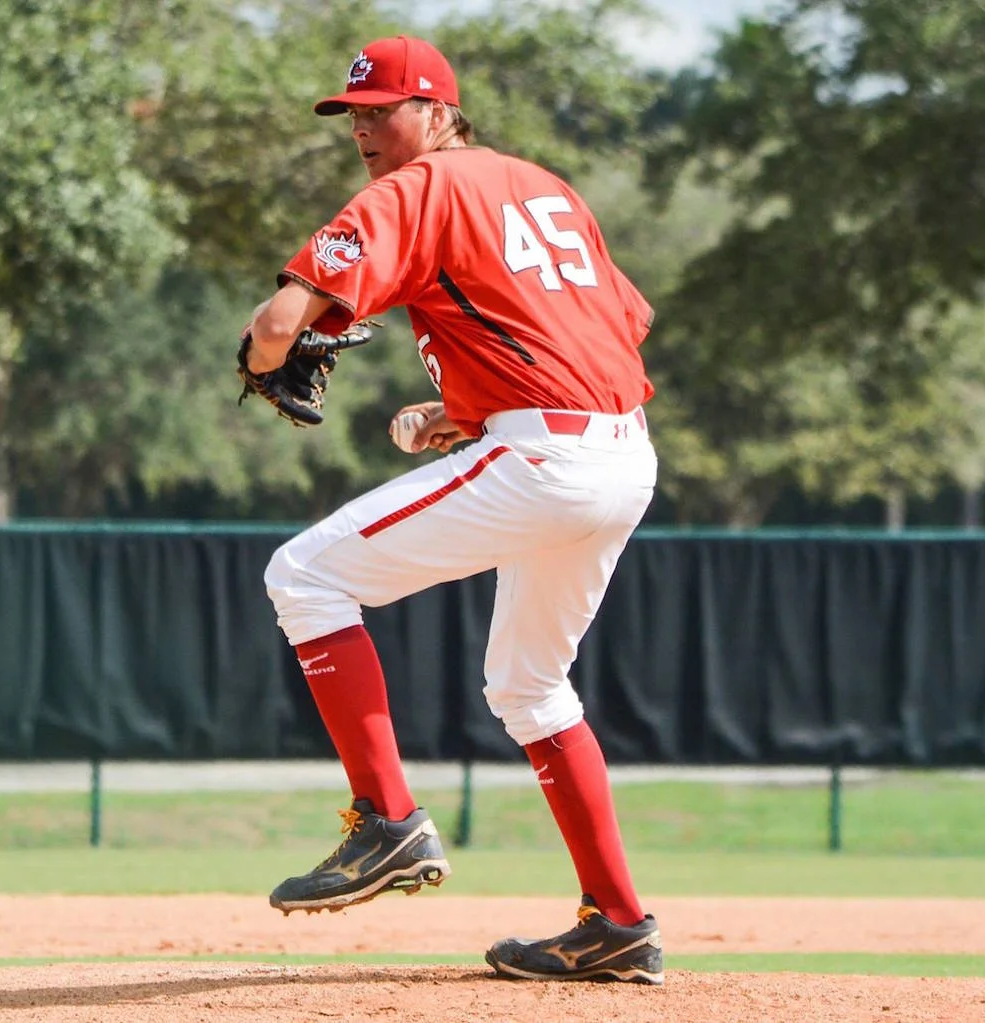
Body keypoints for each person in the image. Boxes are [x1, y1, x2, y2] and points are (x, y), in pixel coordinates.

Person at [243, 34, 663, 986]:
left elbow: (276, 327)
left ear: (437, 112)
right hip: (620, 453)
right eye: (353, 115)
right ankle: (617, 922)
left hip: (548, 461)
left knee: (303, 576)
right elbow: (619, 325)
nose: (363, 130)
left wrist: (262, 357)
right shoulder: (546, 187)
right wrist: (473, 409)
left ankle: (386, 819)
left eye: (382, 110)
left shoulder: (416, 187)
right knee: (530, 689)